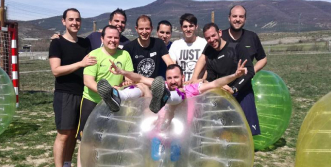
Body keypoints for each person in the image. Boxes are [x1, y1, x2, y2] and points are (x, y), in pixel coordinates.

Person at [191, 5, 267, 167]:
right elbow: (208, 71)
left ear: (219, 33)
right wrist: (199, 80)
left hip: (242, 91)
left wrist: (236, 86)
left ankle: (249, 165)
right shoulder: (211, 49)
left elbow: (249, 69)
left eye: (241, 16)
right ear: (229, 18)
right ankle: (226, 162)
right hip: (223, 94)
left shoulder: (240, 45)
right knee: (223, 130)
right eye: (234, 16)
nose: (237, 19)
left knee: (245, 132)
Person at [72, 25, 133, 167]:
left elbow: (129, 78)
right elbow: (88, 81)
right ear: (102, 39)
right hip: (92, 101)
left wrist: (125, 84)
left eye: (116, 38)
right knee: (86, 140)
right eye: (109, 37)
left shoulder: (124, 55)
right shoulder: (94, 55)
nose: (113, 40)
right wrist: (107, 92)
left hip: (114, 103)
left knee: (113, 139)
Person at [48, 8, 97, 167]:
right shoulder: (57, 43)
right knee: (63, 134)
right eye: (71, 19)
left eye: (77, 19)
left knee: (75, 135)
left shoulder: (85, 43)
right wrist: (80, 64)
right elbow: (56, 70)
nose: (74, 22)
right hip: (64, 93)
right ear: (63, 22)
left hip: (82, 94)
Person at [97, 59, 247, 113]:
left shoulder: (191, 88)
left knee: (181, 93)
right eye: (170, 78)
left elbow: (215, 83)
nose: (173, 81)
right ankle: (118, 97)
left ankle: (165, 98)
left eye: (176, 77)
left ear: (183, 77)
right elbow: (140, 77)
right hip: (156, 123)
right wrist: (122, 71)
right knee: (142, 84)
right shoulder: (161, 85)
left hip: (179, 129)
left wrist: (234, 76)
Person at [168, 13, 207, 81]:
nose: (188, 29)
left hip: (199, 85)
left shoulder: (204, 43)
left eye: (191, 26)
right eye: (185, 26)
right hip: (181, 85)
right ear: (181, 28)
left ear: (196, 26)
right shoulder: (175, 45)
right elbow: (173, 68)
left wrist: (202, 81)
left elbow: (208, 68)